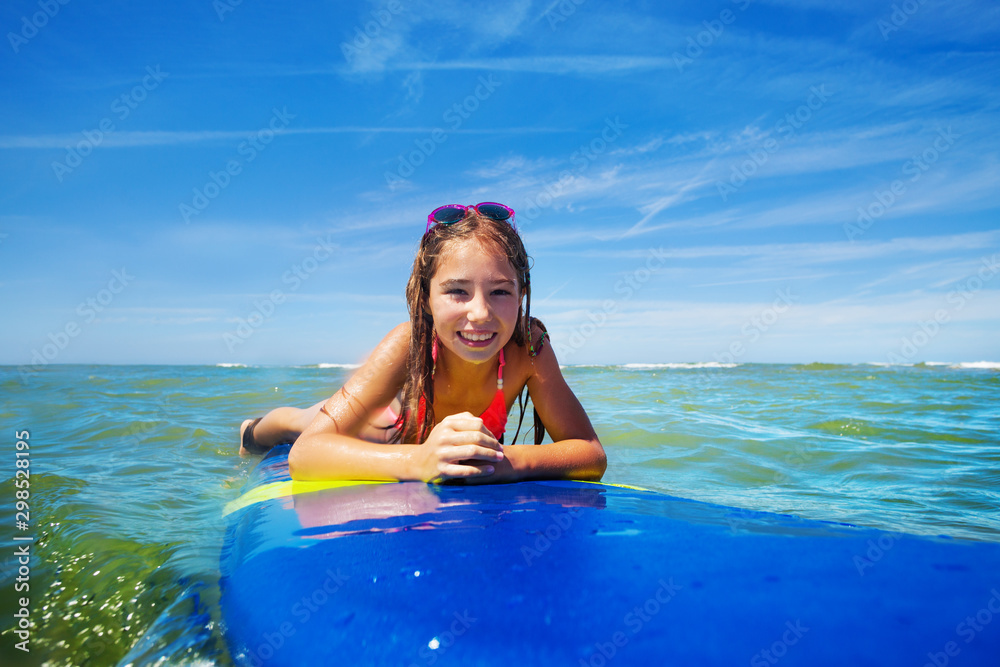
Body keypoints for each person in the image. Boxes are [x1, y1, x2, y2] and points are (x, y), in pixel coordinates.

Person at [239, 202, 606, 484]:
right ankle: (250, 430)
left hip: (426, 440)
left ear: (521, 292)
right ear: (426, 297)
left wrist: (507, 463)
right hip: (385, 426)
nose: (480, 312)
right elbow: (305, 455)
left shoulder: (529, 348)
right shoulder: (408, 344)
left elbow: (590, 454)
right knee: (297, 423)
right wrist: (420, 461)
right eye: (457, 291)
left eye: (499, 291)